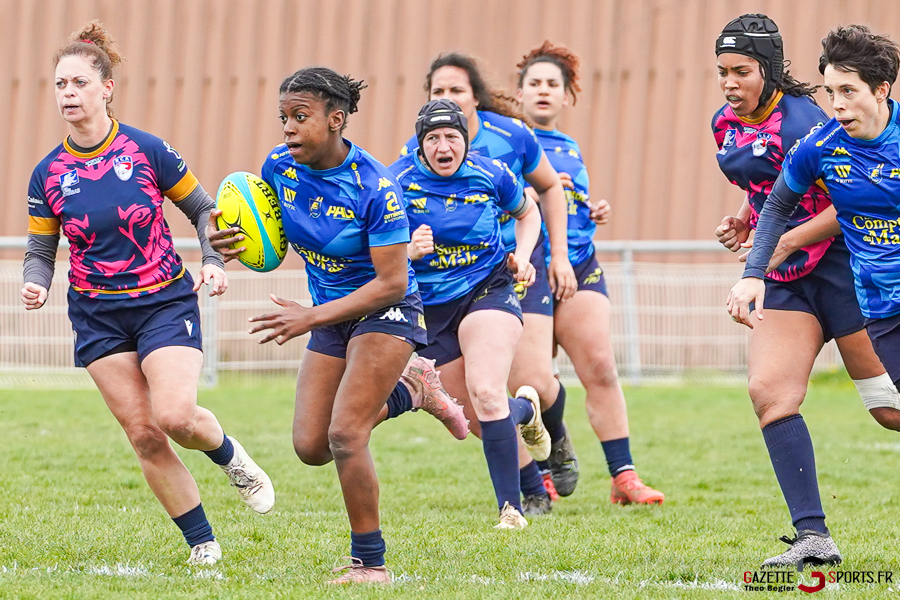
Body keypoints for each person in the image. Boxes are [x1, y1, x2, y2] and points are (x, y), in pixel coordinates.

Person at [21, 20, 275, 567]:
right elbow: (41, 250)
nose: (68, 93)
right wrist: (35, 282)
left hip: (163, 301)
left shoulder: (146, 149)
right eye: (60, 84)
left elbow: (203, 210)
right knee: (144, 434)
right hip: (96, 315)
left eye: (79, 83)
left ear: (106, 87)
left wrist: (212, 261)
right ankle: (202, 544)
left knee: (176, 416)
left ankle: (230, 458)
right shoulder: (47, 174)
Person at [209, 68, 466, 584]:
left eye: (300, 116)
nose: (288, 127)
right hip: (331, 313)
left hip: (386, 312)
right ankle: (412, 390)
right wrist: (232, 242)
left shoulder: (376, 186)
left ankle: (371, 563)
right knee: (311, 446)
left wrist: (308, 317)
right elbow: (267, 232)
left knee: (346, 434)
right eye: (284, 117)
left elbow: (392, 282)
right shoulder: (279, 167)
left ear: (336, 119)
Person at [723, 18, 900, 569]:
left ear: (882, 90)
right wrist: (754, 269)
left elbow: (811, 214)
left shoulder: (803, 123)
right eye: (831, 92)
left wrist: (785, 243)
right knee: (769, 391)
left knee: (889, 410)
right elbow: (774, 200)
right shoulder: (817, 144)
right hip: (859, 299)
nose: (837, 105)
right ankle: (812, 536)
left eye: (848, 91)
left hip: (842, 276)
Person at [401, 53, 576, 515]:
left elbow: (529, 212)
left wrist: (525, 254)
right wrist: (407, 251)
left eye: (452, 137)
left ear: (467, 137)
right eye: (433, 138)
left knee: (487, 391)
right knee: (476, 416)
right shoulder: (397, 180)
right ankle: (528, 430)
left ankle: (511, 510)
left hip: (488, 289)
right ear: (420, 144)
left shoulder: (492, 172)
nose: (443, 147)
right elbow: (376, 245)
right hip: (432, 307)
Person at [516, 41, 665, 507]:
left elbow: (567, 201)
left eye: (552, 84)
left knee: (600, 366)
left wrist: (592, 208)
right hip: (529, 267)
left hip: (579, 262)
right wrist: (531, 193)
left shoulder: (569, 146)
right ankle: (543, 469)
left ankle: (624, 477)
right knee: (535, 381)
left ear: (567, 96)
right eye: (534, 83)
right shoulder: (508, 141)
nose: (544, 90)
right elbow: (501, 200)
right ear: (519, 94)